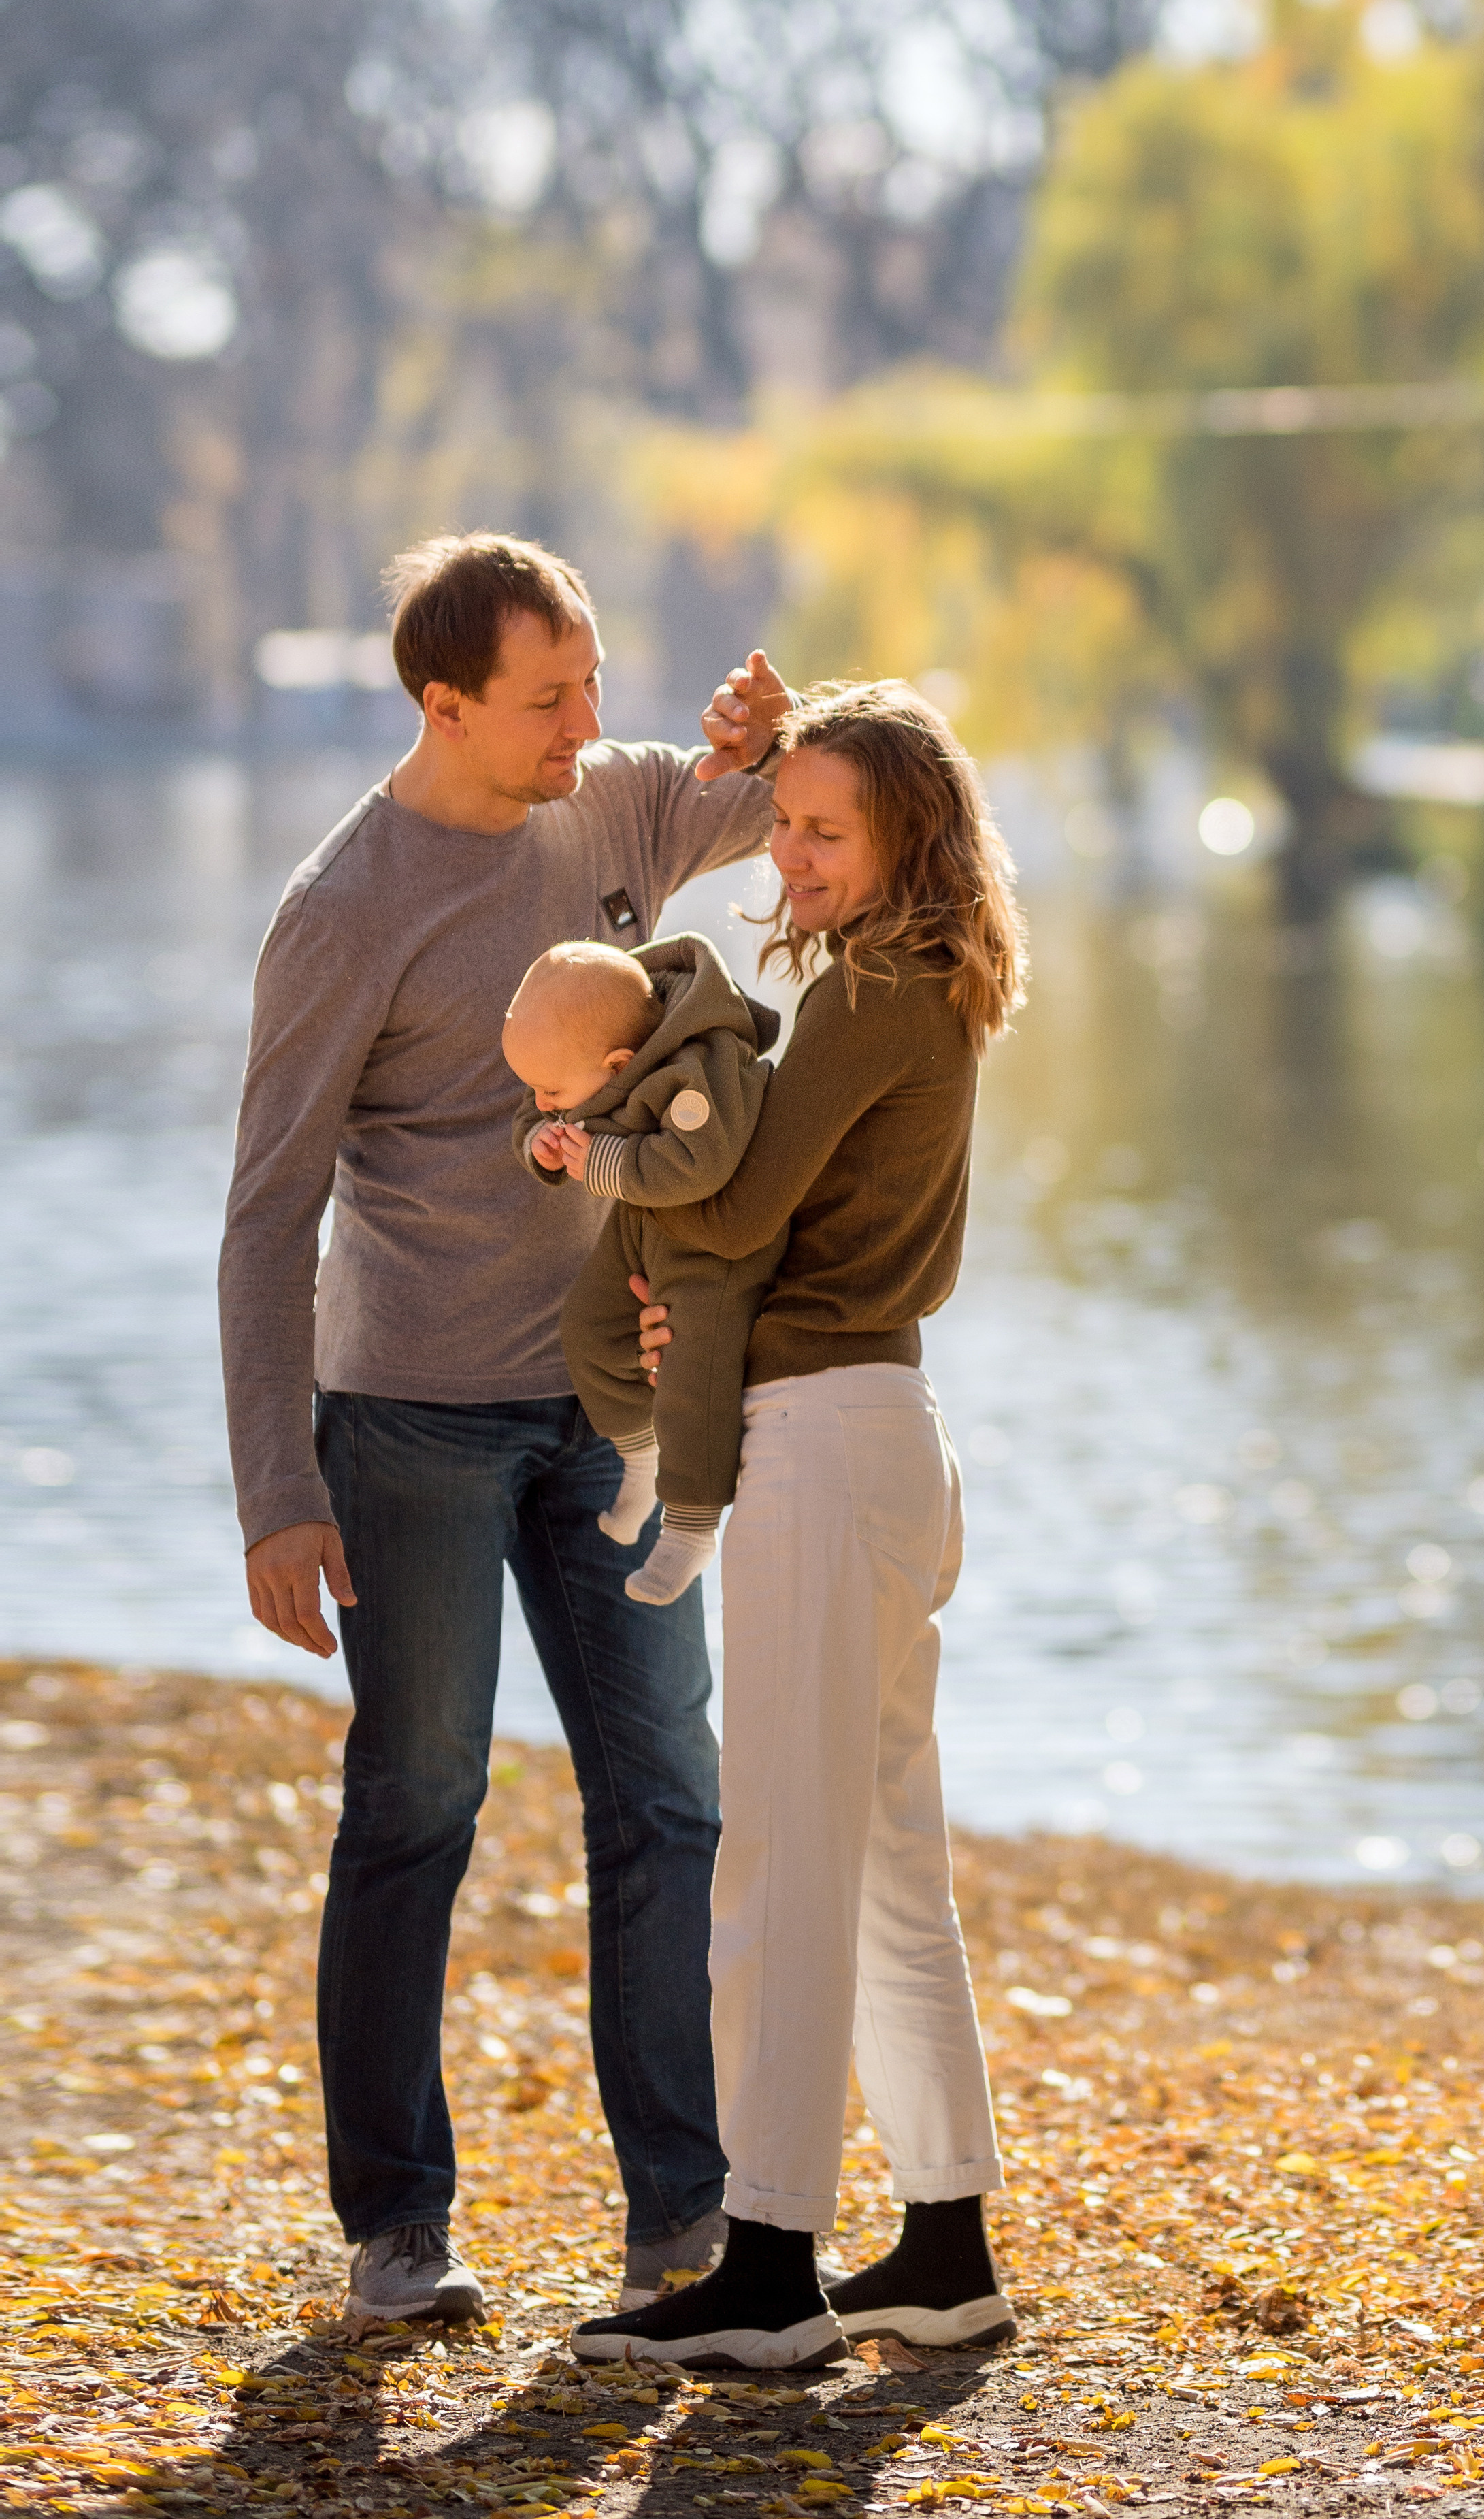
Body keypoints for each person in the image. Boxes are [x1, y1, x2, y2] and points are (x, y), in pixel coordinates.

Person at [218, 530, 791, 2324]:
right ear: (443, 701)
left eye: (596, 679)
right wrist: (275, 1487)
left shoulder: (610, 804)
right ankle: (396, 2222)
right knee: (417, 1800)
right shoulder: (343, 909)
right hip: (410, 1419)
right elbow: (267, 1211)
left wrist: (771, 730)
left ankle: (682, 2219)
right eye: (551, 697)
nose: (588, 721)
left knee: (670, 1798)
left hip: (608, 1410)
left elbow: (804, 810)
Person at [562, 679, 1029, 2372]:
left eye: (829, 829)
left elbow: (739, 1201)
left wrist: (609, 1170)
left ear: (910, 835)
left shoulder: (866, 991)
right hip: (883, 1432)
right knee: (888, 1858)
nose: (793, 853)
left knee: (775, 1857)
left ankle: (765, 2260)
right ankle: (944, 2245)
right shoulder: (927, 983)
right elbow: (773, 1215)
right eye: (785, 821)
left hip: (823, 1444)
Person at [501, 931, 786, 1604]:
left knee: (692, 1364)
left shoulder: (699, 1065)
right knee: (590, 1325)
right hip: (643, 1216)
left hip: (709, 1236)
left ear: (619, 1064)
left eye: (550, 1091)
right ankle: (638, 1453)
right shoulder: (590, 1055)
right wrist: (538, 1141)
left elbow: (701, 1162)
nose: (543, 1100)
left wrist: (606, 1161)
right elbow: (541, 1106)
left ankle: (690, 1524)